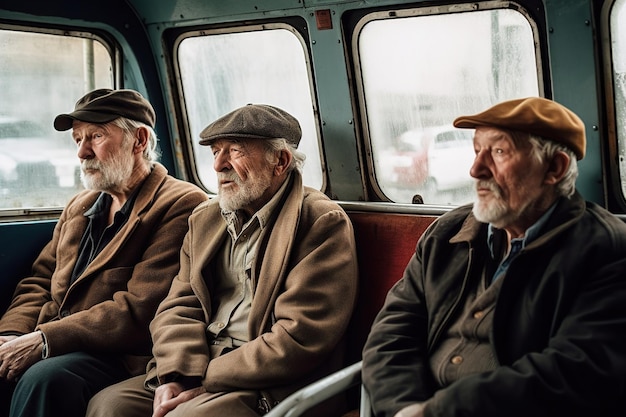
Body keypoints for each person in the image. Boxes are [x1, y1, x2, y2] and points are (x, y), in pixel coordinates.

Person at [86, 103, 359, 417]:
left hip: (270, 381)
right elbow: (179, 304)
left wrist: (207, 378)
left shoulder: (320, 222)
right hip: (199, 362)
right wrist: (177, 374)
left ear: (280, 161)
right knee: (108, 406)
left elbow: (299, 337)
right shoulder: (205, 218)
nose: (218, 165)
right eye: (216, 151)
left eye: (235, 151)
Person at [362, 97, 626, 417]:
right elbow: (390, 336)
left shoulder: (606, 250)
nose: (476, 169)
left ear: (554, 168)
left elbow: (575, 372)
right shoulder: (446, 234)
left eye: (499, 152)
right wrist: (402, 408)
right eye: (476, 151)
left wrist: (437, 411)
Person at [0, 88, 208, 417]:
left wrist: (45, 341)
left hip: (121, 353)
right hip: (55, 338)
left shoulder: (181, 204)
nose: (82, 152)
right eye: (77, 139)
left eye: (96, 136)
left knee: (45, 379)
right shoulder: (80, 204)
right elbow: (39, 279)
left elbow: (140, 310)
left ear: (139, 140)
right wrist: (11, 334)